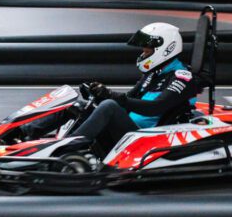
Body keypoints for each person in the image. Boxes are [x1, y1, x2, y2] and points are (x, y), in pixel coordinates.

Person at [74, 22, 202, 151]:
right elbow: (127, 100)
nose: (143, 51)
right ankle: (58, 144)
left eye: (148, 48)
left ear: (167, 48)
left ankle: (65, 149)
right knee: (78, 106)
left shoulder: (182, 77)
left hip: (146, 138)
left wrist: (111, 96)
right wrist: (98, 95)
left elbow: (155, 108)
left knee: (109, 106)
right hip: (129, 131)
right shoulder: (153, 73)